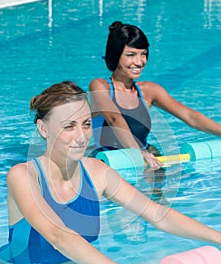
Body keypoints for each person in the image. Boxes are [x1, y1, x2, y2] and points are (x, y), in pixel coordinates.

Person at [0, 80, 221, 264]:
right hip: (17, 261)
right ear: (44, 128)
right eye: (69, 126)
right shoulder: (23, 175)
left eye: (87, 124)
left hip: (74, 261)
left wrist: (218, 238)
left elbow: (158, 215)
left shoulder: (97, 173)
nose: (81, 137)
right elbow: (57, 234)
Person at [89, 21, 221, 168]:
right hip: (108, 160)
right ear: (116, 56)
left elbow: (189, 116)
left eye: (143, 54)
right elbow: (114, 118)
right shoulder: (100, 86)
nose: (139, 62)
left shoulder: (149, 91)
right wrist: (137, 152)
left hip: (146, 157)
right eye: (131, 55)